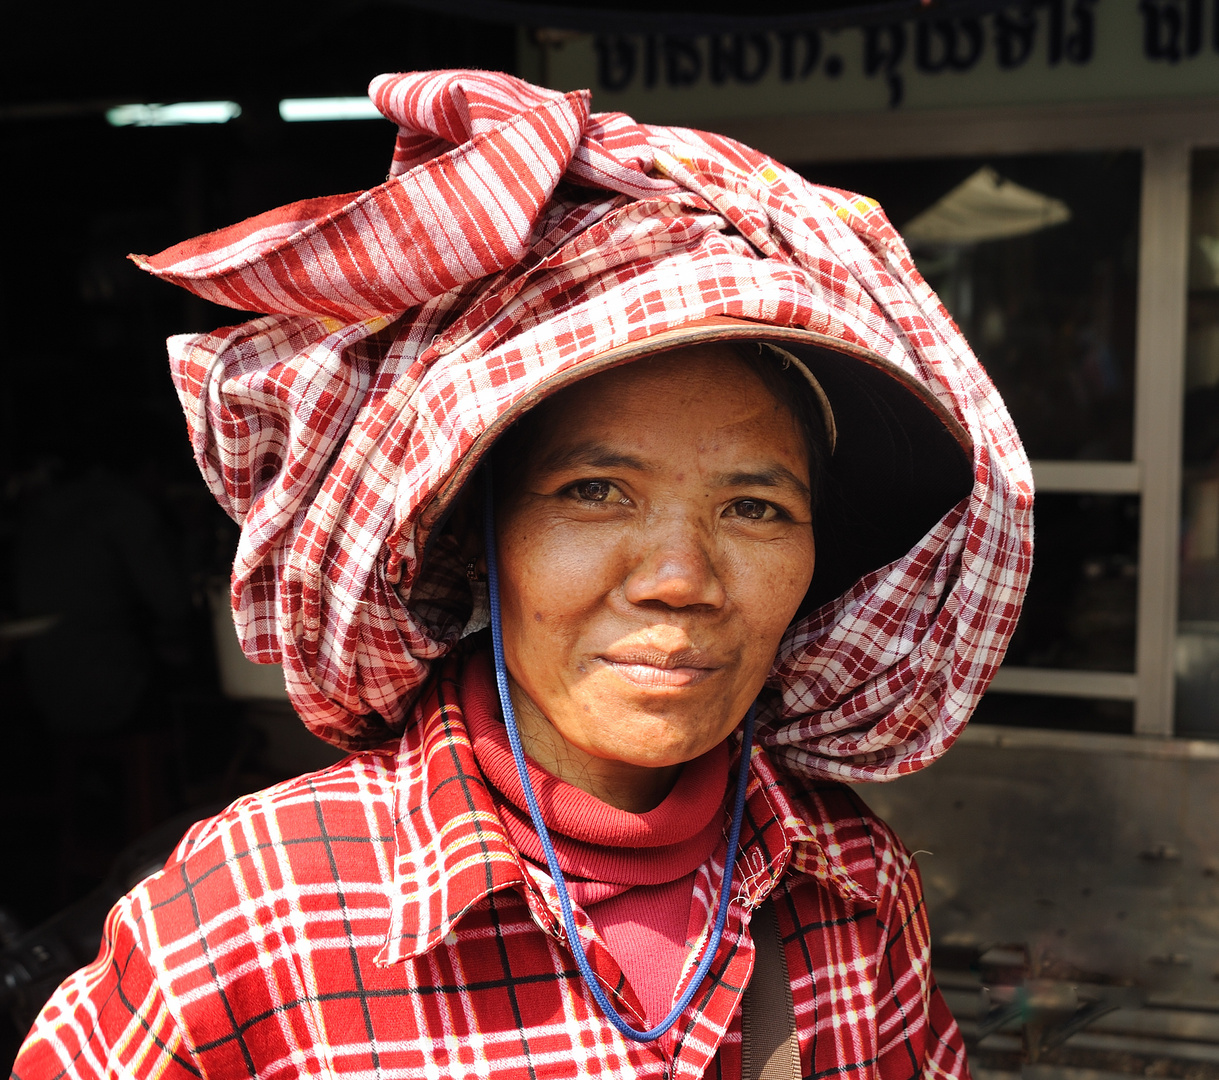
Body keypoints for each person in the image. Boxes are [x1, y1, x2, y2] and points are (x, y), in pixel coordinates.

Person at [12, 70, 1031, 1080]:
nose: (681, 579)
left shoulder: (852, 891)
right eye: (595, 492)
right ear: (470, 541)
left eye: (755, 509)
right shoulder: (257, 918)